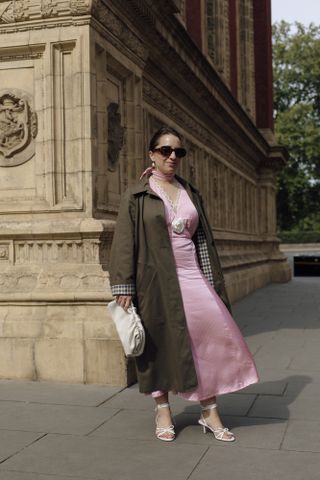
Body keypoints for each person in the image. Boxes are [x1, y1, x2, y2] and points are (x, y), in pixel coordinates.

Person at [109, 126, 259, 442]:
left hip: (193, 275)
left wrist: (212, 278)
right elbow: (124, 240)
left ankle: (209, 410)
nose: (172, 156)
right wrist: (123, 285)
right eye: (165, 150)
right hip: (155, 280)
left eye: (178, 152)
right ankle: (162, 409)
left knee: (212, 336)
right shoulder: (137, 194)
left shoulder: (190, 191)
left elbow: (202, 239)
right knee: (159, 343)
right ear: (152, 154)